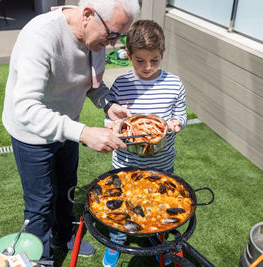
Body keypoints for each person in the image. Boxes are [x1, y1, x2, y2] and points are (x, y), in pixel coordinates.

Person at [1, 0, 140, 265]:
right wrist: (84, 131)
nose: (113, 44)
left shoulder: (95, 37)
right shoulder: (40, 36)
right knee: (40, 204)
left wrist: (107, 103)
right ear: (88, 14)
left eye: (119, 37)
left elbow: (91, 83)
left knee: (66, 187)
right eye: (112, 34)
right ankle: (40, 258)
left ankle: (63, 236)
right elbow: (26, 108)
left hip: (68, 128)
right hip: (32, 134)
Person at [102, 20, 187, 267]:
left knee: (157, 203)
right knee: (122, 202)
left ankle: (158, 240)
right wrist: (115, 126)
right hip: (126, 162)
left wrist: (175, 124)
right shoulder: (121, 84)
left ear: (162, 55)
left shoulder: (174, 84)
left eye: (155, 60)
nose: (148, 67)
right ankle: (116, 243)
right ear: (128, 55)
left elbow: (181, 116)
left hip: (162, 161)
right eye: (140, 60)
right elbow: (109, 120)